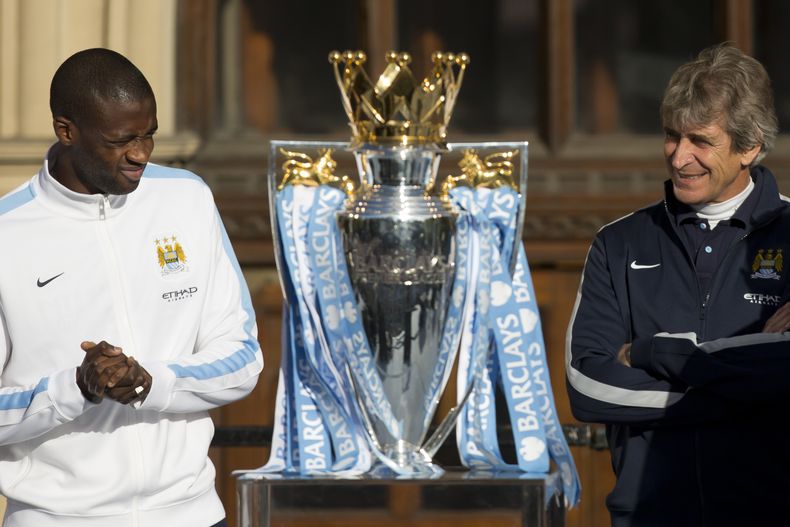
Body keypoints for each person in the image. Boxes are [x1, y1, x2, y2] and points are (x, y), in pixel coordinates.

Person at [0, 48, 263, 527]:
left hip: (193, 515)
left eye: (149, 136)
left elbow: (243, 359)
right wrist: (74, 389)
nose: (140, 154)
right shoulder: (7, 235)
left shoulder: (187, 198)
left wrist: (151, 381)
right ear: (66, 131)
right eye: (122, 140)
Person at [566, 43, 790, 526]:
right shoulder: (618, 243)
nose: (679, 156)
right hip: (649, 516)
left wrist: (649, 353)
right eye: (671, 135)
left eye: (700, 140)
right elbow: (586, 385)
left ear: (749, 146)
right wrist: (733, 393)